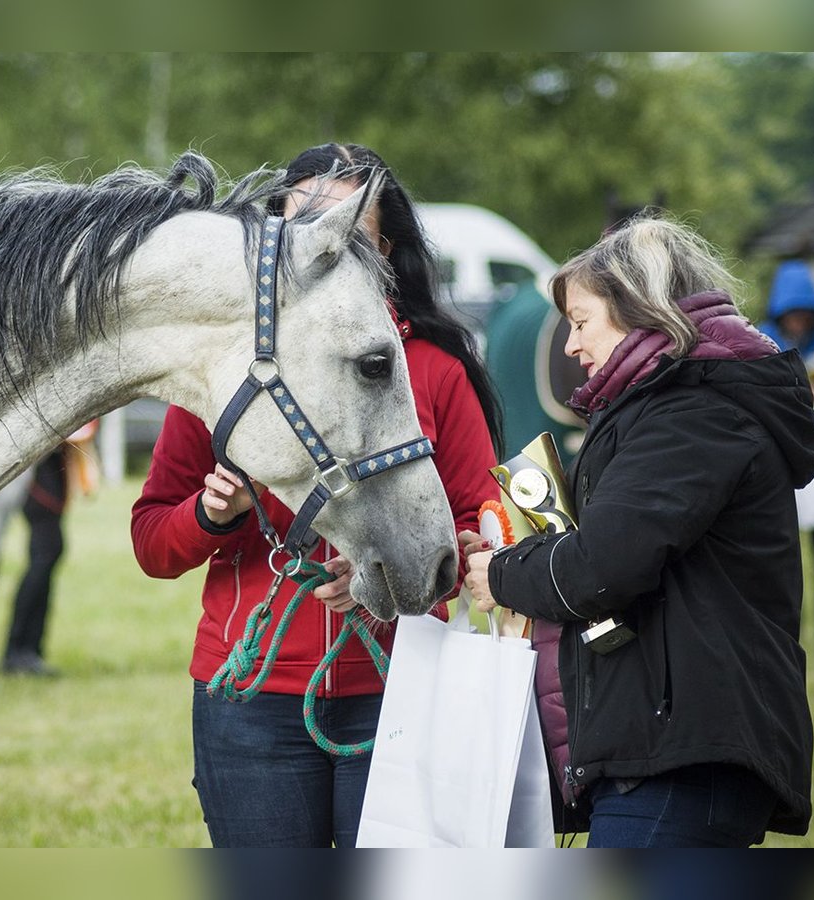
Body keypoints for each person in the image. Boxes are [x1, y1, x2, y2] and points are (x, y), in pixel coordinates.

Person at [130, 143, 502, 847]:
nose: (327, 254)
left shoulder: (435, 370)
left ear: (388, 251)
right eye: (306, 232)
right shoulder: (224, 374)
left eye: (352, 236)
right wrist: (210, 516)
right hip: (247, 701)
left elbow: (475, 525)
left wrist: (391, 573)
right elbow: (152, 542)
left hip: (398, 689)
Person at [462, 215, 814, 848]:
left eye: (580, 321)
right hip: (669, 748)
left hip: (682, 756)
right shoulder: (675, 407)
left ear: (639, 309)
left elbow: (600, 567)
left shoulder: (693, 413)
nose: (571, 346)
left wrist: (502, 575)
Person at [758, 259, 814, 644]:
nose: (799, 321)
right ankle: (785, 627)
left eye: (805, 314)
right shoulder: (763, 341)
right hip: (782, 455)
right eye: (793, 314)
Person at [2, 420, 99, 676]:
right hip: (38, 482)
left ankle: (29, 649)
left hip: (49, 476)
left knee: (48, 555)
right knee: (45, 556)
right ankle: (18, 651)